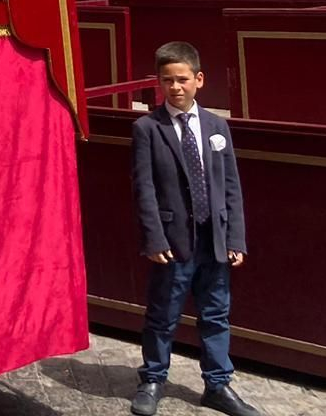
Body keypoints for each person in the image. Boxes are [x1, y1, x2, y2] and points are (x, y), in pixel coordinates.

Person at [130, 41, 259, 416]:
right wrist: (154, 237)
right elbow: (144, 189)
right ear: (159, 83)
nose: (176, 88)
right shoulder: (147, 129)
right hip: (173, 241)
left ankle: (218, 384)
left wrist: (235, 237)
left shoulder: (217, 126)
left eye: (183, 79)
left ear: (199, 79)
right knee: (163, 312)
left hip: (214, 238)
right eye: (167, 81)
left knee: (216, 313)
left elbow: (230, 185)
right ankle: (153, 378)